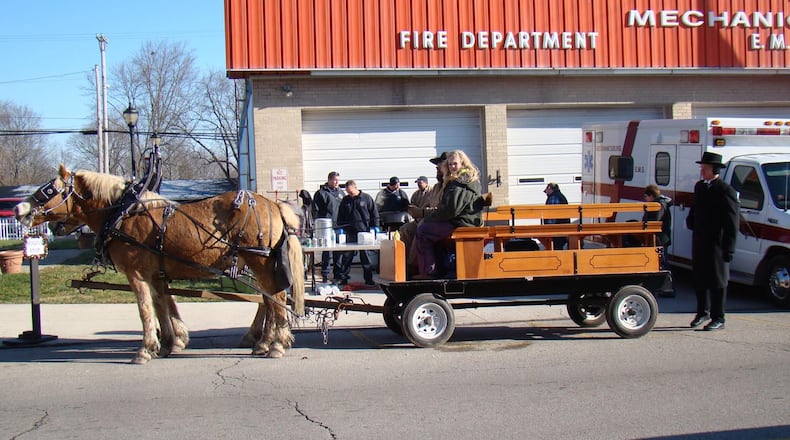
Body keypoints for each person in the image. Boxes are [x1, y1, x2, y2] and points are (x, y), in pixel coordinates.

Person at [685, 152, 739, 331]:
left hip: (717, 242)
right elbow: (696, 207)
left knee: (718, 281)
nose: (702, 171)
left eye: (705, 168)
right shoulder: (700, 187)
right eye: (701, 168)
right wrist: (691, 220)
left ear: (714, 169)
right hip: (700, 240)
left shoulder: (725, 190)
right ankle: (702, 312)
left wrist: (729, 248)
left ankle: (719, 317)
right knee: (700, 279)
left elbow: (732, 221)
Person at [413, 150, 483, 279]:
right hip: (460, 220)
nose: (452, 167)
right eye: (450, 164)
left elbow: (451, 210)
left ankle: (429, 272)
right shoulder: (459, 180)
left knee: (423, 231)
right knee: (427, 229)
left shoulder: (462, 181)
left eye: (455, 164)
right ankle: (438, 269)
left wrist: (430, 217)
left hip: (463, 222)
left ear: (463, 163)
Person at [335, 180, 379, 286]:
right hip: (350, 233)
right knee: (347, 257)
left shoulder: (366, 198)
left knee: (366, 258)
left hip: (364, 233)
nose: (349, 194)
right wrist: (340, 228)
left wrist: (376, 227)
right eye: (347, 192)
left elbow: (374, 213)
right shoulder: (346, 200)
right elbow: (340, 215)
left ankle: (368, 279)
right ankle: (343, 278)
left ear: (355, 188)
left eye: (351, 192)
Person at [311, 171, 343, 283]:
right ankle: (325, 275)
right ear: (329, 180)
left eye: (338, 180)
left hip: (339, 226)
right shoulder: (321, 193)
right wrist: (318, 225)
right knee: (327, 252)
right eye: (334, 180)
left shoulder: (341, 193)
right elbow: (315, 210)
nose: (336, 182)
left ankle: (338, 275)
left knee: (338, 252)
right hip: (326, 227)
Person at [643, 184, 672, 269]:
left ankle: (667, 278)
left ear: (651, 196)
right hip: (662, 236)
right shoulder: (661, 203)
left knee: (662, 260)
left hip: (660, 237)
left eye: (646, 196)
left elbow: (655, 220)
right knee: (661, 259)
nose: (645, 199)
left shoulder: (658, 205)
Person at [544, 182, 570, 250]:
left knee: (556, 246)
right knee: (558, 246)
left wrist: (547, 228)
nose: (546, 194)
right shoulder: (560, 196)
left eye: (546, 191)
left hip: (557, 228)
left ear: (549, 188)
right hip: (563, 226)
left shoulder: (554, 197)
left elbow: (552, 216)